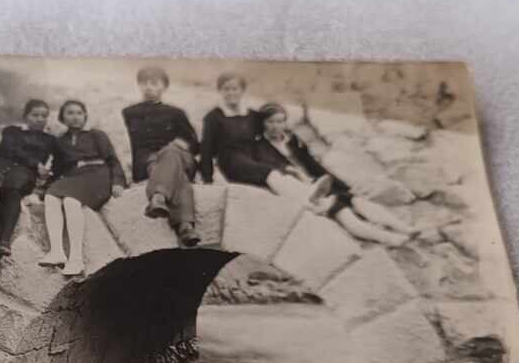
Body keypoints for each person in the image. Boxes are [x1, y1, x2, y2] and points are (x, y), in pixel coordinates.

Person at [253, 102, 418, 246]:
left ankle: (405, 228)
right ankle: (388, 238)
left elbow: (313, 164)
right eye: (271, 122)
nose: (276, 126)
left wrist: (342, 185)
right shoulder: (260, 147)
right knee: (343, 212)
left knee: (357, 200)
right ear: (263, 123)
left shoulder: (291, 139)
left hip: (318, 181)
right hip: (302, 190)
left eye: (280, 121)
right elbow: (275, 174)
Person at [198, 72, 332, 203]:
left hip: (253, 158)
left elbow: (272, 126)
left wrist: (292, 148)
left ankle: (314, 197)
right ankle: (305, 199)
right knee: (269, 172)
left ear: (242, 91)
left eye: (235, 89)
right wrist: (207, 179)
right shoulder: (213, 117)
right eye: (226, 89)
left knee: (284, 172)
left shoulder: (250, 115)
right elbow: (206, 149)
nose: (231, 93)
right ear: (220, 91)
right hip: (231, 162)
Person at [41, 100, 127, 276]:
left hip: (98, 174)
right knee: (51, 197)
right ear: (62, 118)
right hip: (74, 177)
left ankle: (76, 259)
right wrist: (43, 188)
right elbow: (58, 169)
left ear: (85, 116)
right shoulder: (60, 141)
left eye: (79, 113)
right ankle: (57, 251)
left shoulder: (96, 135)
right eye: (70, 113)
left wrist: (118, 182)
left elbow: (112, 160)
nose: (75, 117)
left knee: (71, 201)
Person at [121, 66, 202, 247]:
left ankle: (159, 197)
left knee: (171, 152)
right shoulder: (129, 113)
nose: (149, 87)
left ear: (163, 87)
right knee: (175, 174)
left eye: (154, 83)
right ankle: (186, 226)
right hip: (150, 162)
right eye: (144, 83)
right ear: (139, 86)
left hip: (181, 157)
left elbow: (195, 146)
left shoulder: (176, 113)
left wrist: (184, 144)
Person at [0, 99, 57, 258]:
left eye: (44, 116)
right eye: (35, 115)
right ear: (25, 116)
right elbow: (9, 150)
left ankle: (4, 240)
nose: (40, 119)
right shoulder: (11, 131)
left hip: (25, 175)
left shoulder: (50, 140)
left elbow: (54, 160)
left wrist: (45, 172)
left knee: (14, 190)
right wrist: (35, 162)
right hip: (4, 168)